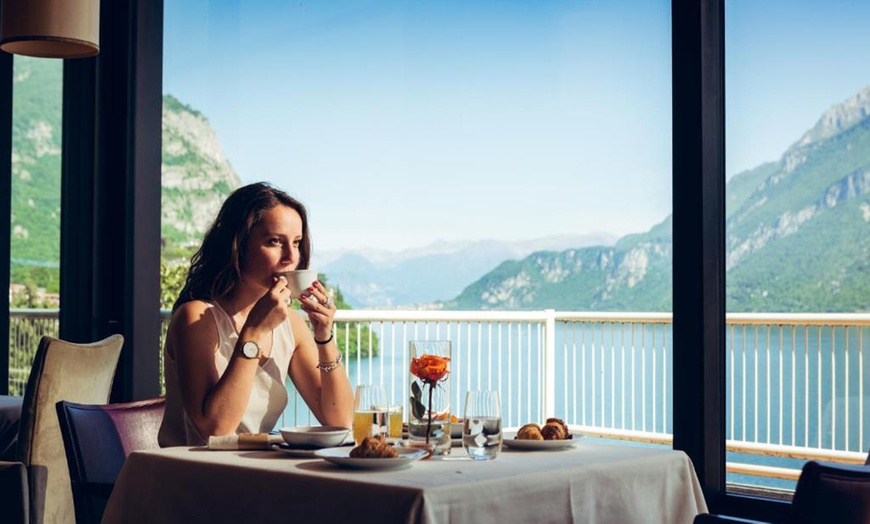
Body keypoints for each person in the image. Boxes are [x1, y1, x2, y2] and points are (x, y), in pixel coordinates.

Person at [158, 182, 353, 446]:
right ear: (238, 244)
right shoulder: (195, 318)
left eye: (296, 243)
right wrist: (255, 332)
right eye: (274, 241)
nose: (291, 257)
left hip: (256, 470)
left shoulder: (291, 326)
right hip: (196, 474)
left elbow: (341, 421)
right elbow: (215, 430)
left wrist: (324, 336)